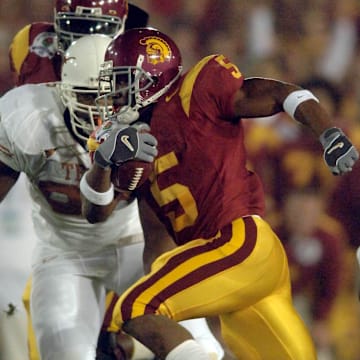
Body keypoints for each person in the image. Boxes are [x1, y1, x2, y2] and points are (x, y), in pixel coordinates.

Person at [81, 27, 359, 359]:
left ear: (150, 76)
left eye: (123, 80)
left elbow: (280, 93)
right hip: (234, 268)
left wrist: (328, 132)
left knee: (134, 309)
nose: (114, 93)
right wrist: (103, 162)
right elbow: (104, 217)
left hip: (238, 242)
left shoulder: (196, 89)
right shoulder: (126, 143)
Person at [0, 33, 224, 360]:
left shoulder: (156, 123)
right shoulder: (26, 117)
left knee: (201, 349)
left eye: (107, 95)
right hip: (64, 251)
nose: (98, 106)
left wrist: (159, 279)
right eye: (88, 95)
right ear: (64, 89)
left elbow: (160, 227)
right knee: (66, 354)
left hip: (134, 240)